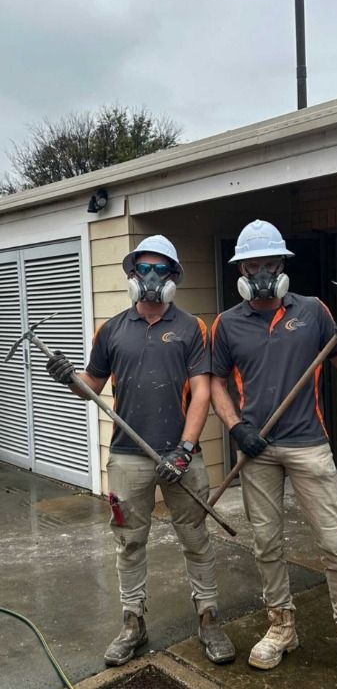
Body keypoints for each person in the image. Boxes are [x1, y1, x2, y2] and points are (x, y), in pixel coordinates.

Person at [210, 219, 337, 689]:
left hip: (309, 443)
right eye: (252, 265)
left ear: (282, 266)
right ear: (240, 270)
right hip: (257, 449)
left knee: (334, 545)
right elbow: (217, 384)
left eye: (270, 264)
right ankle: (282, 627)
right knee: (266, 544)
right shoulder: (227, 324)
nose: (261, 272)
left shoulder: (314, 311)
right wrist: (236, 427)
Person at [46, 234, 235, 667]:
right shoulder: (111, 329)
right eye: (143, 270)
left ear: (173, 278)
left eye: (160, 270)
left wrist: (185, 450)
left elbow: (203, 393)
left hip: (180, 459)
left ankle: (208, 617)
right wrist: (67, 376)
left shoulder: (192, 328)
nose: (150, 278)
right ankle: (133, 622)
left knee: (196, 539)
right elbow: (90, 388)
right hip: (128, 456)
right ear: (132, 275)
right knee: (129, 543)